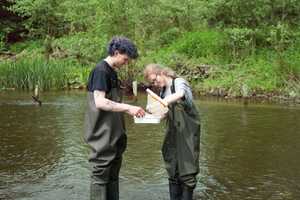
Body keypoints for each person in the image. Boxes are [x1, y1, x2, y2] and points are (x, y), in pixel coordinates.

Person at [84, 36, 145, 200]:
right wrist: (129, 108)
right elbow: (100, 102)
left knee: (112, 174)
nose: (126, 62)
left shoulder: (112, 72)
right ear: (116, 52)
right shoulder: (100, 71)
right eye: (125, 59)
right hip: (102, 133)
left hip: (114, 133)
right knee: (101, 175)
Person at [144, 64, 201, 200]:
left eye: (154, 80)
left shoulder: (179, 83)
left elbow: (180, 95)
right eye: (152, 83)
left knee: (188, 169)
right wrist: (151, 116)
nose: (155, 84)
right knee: (173, 167)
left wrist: (161, 102)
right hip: (173, 132)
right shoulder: (164, 90)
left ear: (162, 72)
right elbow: (166, 113)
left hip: (187, 133)